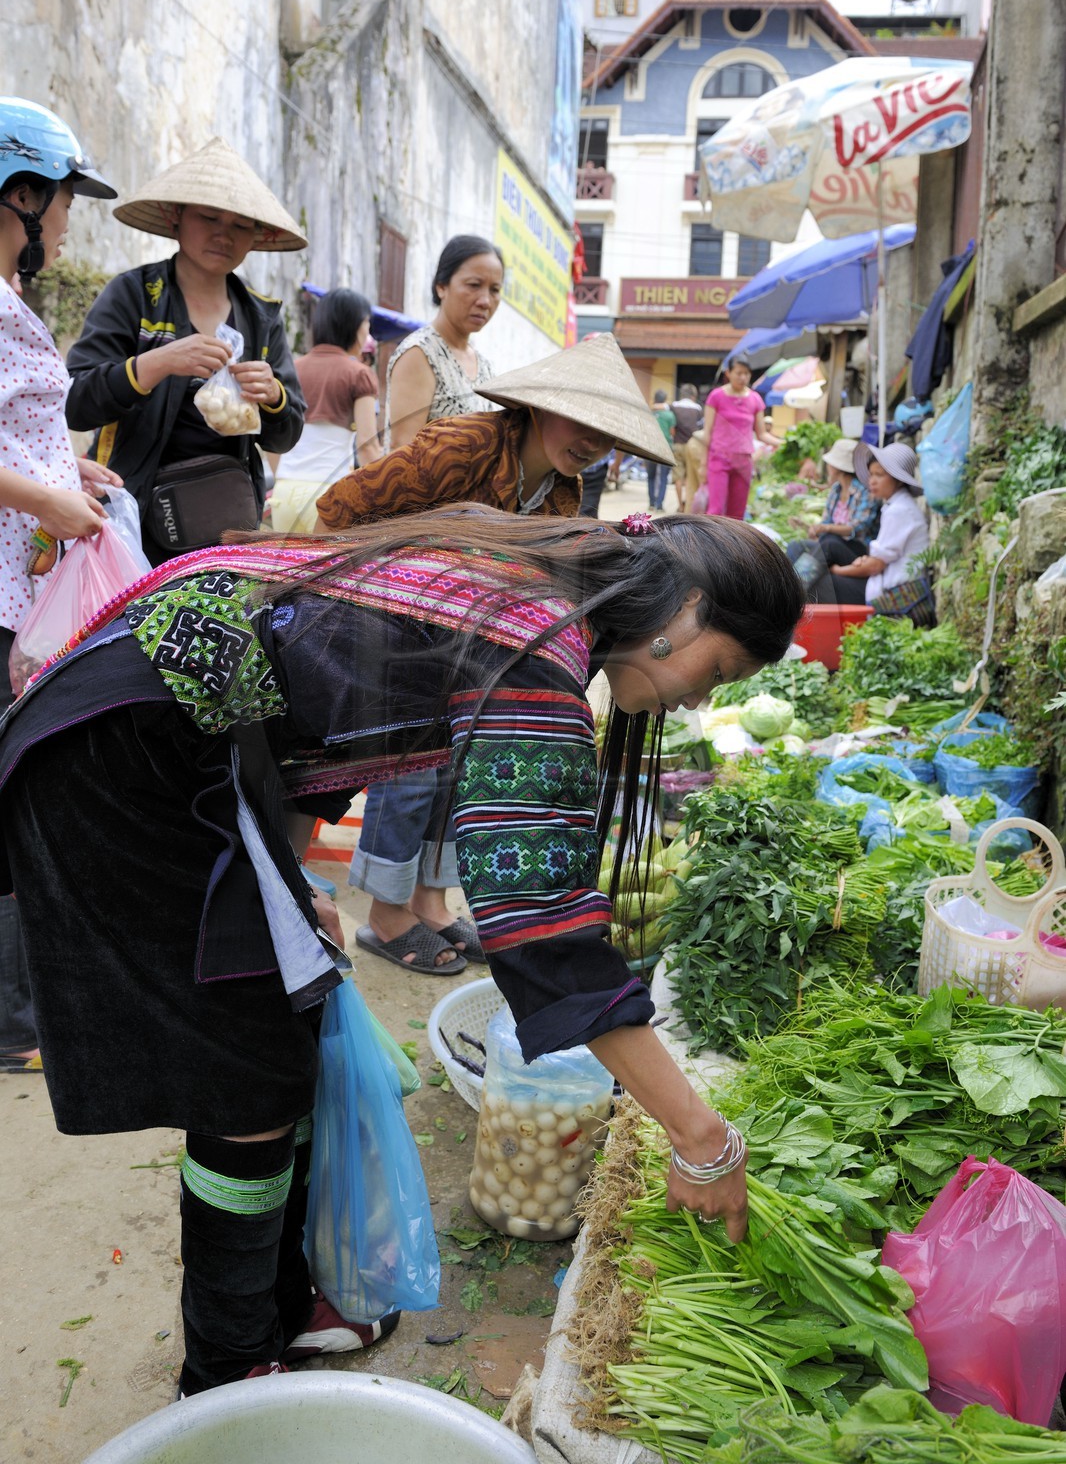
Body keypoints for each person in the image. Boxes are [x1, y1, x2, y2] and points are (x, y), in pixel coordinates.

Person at [0, 504, 805, 1394]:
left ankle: (274, 1313)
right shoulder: (538, 645)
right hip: (123, 755)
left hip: (198, 736)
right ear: (685, 610)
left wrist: (291, 870)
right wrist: (701, 1138)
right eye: (717, 670)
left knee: (280, 1034)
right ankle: (228, 1370)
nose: (699, 699)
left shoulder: (541, 593)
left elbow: (314, 689)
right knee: (244, 1070)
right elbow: (540, 921)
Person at [315, 334, 676, 974]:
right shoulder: (463, 446)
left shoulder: (563, 493)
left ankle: (429, 900)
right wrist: (349, 610)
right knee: (409, 768)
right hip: (390, 616)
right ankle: (385, 914)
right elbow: (338, 512)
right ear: (538, 406)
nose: (591, 442)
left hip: (460, 635)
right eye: (580, 420)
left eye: (606, 432)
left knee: (454, 762)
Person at [0, 97, 122, 1073]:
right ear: (22, 194)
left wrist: (67, 474)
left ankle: (18, 1004)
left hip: (17, 590)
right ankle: (9, 1017)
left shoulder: (11, 301)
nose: (72, 218)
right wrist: (48, 500)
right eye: (66, 199)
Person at [65, 137, 306, 564]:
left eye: (240, 224)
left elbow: (286, 435)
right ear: (176, 218)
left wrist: (273, 396)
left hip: (223, 525)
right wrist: (153, 365)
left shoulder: (261, 318)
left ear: (255, 236)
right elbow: (76, 402)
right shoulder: (135, 295)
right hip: (130, 517)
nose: (222, 234)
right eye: (209, 217)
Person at [270, 290, 381, 534]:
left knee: (285, 570)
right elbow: (367, 445)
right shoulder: (359, 374)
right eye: (366, 325)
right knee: (330, 572)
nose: (368, 334)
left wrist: (284, 476)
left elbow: (272, 438)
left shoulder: (291, 369)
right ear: (352, 326)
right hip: (330, 493)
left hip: (284, 493)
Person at [384, 235, 503, 450]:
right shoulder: (420, 354)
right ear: (442, 287)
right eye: (474, 285)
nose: (485, 301)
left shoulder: (484, 366)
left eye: (494, 290)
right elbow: (403, 453)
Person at [828, 441, 929, 604]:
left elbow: (875, 566)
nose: (872, 481)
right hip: (883, 583)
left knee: (826, 583)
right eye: (871, 474)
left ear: (898, 479)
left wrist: (837, 570)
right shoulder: (895, 505)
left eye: (879, 475)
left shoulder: (899, 510)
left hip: (894, 594)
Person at [785, 437, 881, 603]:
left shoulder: (865, 492)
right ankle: (789, 584)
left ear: (839, 468)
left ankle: (793, 593)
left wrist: (826, 529)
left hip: (857, 551)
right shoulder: (836, 490)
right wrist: (813, 528)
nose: (828, 466)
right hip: (832, 546)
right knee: (796, 546)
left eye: (830, 463)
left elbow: (857, 528)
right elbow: (827, 521)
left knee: (829, 541)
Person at [704, 355, 778, 520]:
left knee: (737, 514)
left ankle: (733, 546)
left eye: (746, 373)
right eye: (739, 373)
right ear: (728, 373)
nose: (743, 377)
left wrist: (782, 442)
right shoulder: (716, 396)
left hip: (744, 461)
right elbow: (707, 432)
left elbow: (762, 434)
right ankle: (709, 544)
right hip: (719, 459)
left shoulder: (755, 399)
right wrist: (704, 463)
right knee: (715, 510)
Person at [670, 383, 704, 510]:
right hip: (693, 447)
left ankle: (680, 506)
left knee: (678, 476)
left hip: (677, 445)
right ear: (693, 396)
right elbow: (701, 428)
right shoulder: (698, 408)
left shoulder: (674, 406)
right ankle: (690, 507)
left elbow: (671, 425)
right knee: (691, 478)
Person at [646, 391, 675, 511]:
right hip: (666, 448)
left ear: (655, 399)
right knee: (663, 477)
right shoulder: (670, 415)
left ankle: (652, 503)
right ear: (665, 399)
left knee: (651, 476)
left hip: (650, 447)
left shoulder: (649, 413)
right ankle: (659, 504)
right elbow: (672, 432)